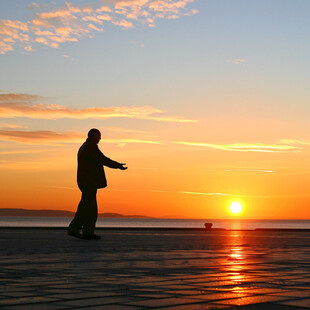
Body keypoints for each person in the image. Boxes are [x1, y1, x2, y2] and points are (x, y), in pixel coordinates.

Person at [67, 128, 127, 239]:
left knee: (85, 206)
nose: (100, 138)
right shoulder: (90, 147)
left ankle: (76, 229)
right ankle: (85, 231)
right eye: (98, 136)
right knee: (90, 208)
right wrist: (118, 165)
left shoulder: (85, 146)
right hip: (88, 181)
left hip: (85, 181)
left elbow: (101, 159)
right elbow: (102, 159)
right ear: (92, 136)